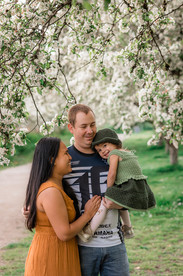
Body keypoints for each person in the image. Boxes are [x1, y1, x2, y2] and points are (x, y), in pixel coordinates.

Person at [64, 104, 130, 276]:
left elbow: (132, 189)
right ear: (71, 128)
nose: (90, 131)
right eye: (83, 126)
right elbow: (48, 192)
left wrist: (122, 203)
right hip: (82, 247)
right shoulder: (65, 160)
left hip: (115, 244)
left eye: (92, 124)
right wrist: (29, 208)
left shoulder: (108, 154)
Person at [24, 137, 101, 276]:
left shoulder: (58, 186)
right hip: (51, 259)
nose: (70, 157)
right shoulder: (51, 191)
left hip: (61, 253)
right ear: (52, 160)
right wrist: (88, 215)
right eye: (65, 153)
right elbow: (64, 233)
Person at [78, 128, 156, 242]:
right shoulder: (127, 152)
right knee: (120, 201)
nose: (103, 151)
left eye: (105, 145)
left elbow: (112, 173)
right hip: (138, 187)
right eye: (99, 150)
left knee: (105, 203)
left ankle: (88, 231)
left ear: (114, 142)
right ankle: (128, 228)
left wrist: (109, 190)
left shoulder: (114, 154)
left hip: (130, 186)